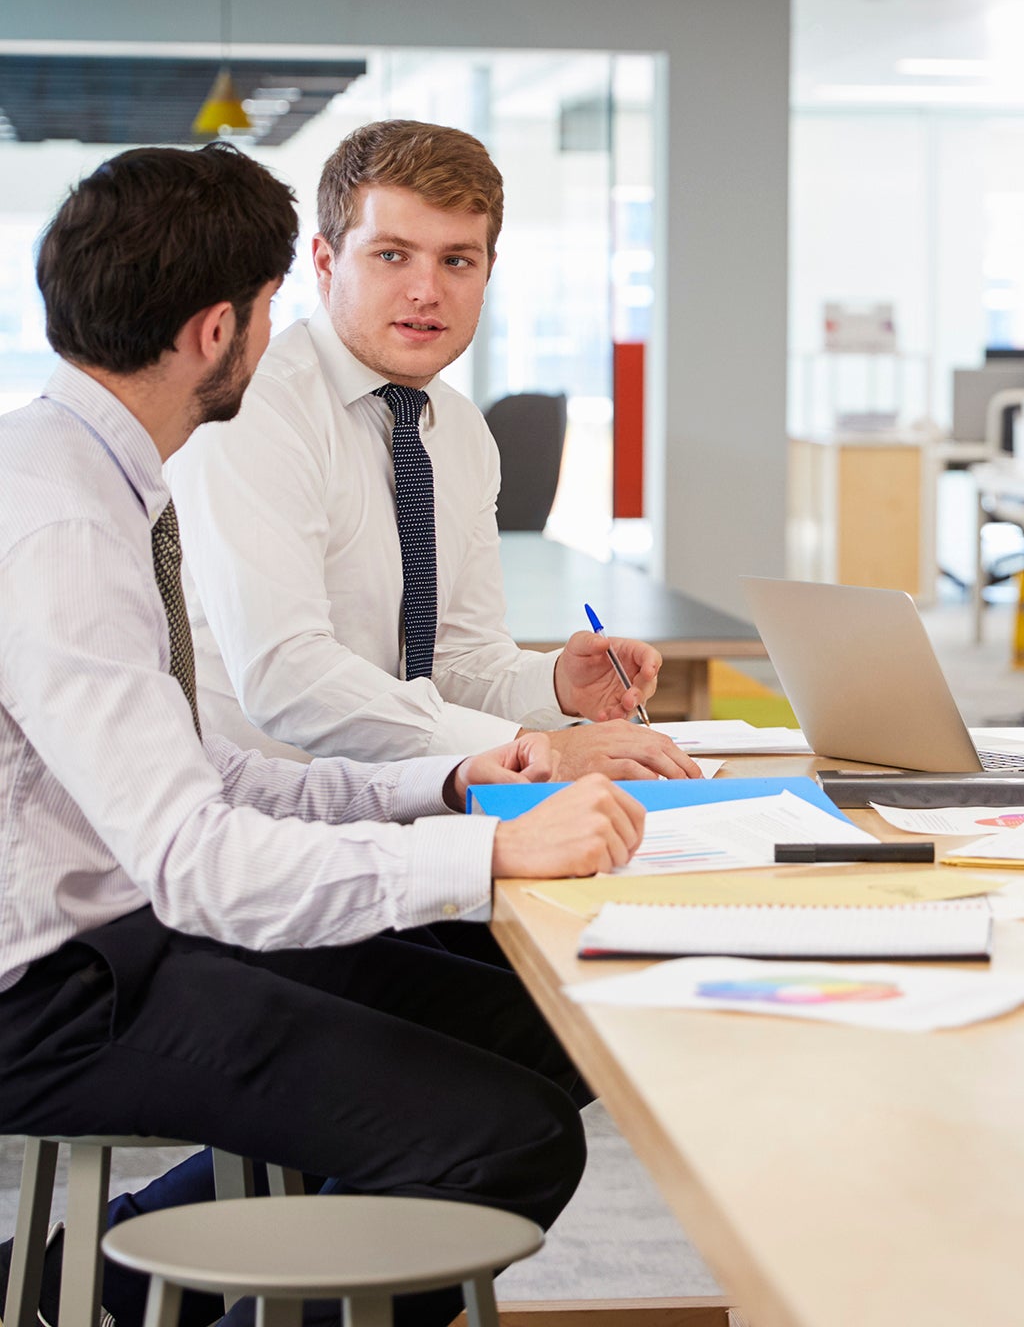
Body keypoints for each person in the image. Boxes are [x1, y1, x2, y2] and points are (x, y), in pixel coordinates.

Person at [0, 143, 651, 1327]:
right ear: (220, 332)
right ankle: (100, 1280)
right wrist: (491, 849)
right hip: (57, 981)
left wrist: (451, 783)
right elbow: (202, 855)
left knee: (533, 1024)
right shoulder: (65, 526)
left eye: (458, 261)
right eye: (265, 307)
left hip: (137, 912)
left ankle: (97, 1282)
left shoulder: (95, 475)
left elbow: (203, 765)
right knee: (504, 1138)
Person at [166, 119, 696, 780]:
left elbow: (450, 660)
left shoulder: (461, 430)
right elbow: (286, 678)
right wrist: (539, 750)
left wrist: (556, 687)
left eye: (456, 260)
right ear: (326, 263)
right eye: (392, 255)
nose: (427, 291)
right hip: (258, 825)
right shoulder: (252, 410)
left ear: (487, 271)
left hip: (408, 809)